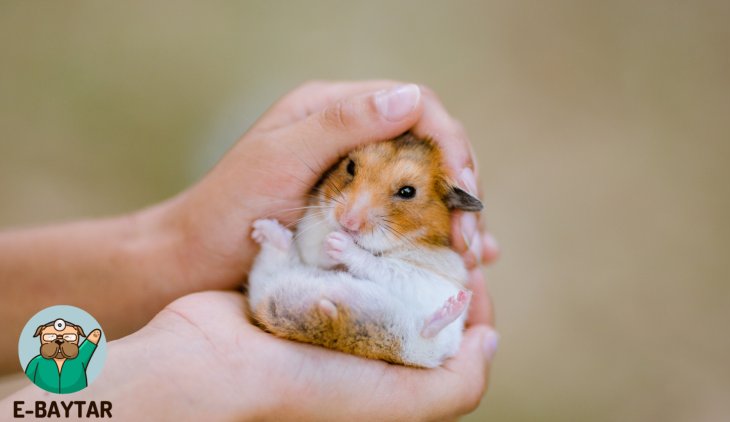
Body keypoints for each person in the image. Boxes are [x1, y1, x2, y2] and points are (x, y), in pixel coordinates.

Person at [0, 81, 500, 420]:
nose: (353, 213)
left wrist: (176, 250)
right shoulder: (320, 218)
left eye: (405, 193)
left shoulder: (429, 247)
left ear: (452, 203)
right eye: (350, 171)